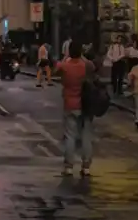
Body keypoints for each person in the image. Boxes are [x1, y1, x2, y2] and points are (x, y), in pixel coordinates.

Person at [55, 39, 93, 177]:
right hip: (87, 103)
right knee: (86, 136)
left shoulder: (65, 66)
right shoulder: (87, 65)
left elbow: (56, 71)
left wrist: (65, 58)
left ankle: (69, 166)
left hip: (70, 104)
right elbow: (93, 69)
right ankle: (86, 166)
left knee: (70, 136)